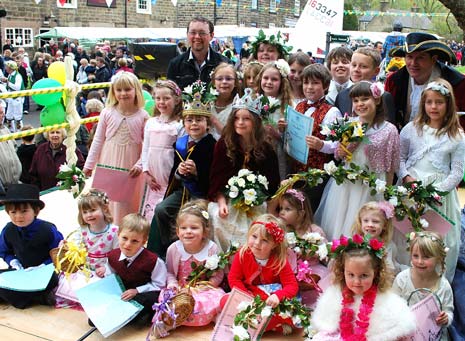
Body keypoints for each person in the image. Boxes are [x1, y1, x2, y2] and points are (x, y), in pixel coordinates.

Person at [398, 79, 465, 281]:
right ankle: (405, 281)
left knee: (438, 242)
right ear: (423, 104)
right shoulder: (411, 129)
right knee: (406, 238)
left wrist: (434, 194)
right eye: (429, 102)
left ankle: (435, 285)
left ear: (448, 105)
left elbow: (457, 173)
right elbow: (400, 159)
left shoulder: (457, 135)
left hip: (439, 198)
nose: (434, 107)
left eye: (439, 102)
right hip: (410, 192)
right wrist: (407, 177)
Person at [315, 82, 400, 241]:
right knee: (344, 218)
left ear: (377, 100)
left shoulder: (389, 130)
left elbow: (390, 166)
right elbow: (339, 155)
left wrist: (387, 195)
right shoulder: (349, 124)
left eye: (365, 99)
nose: (360, 104)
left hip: (373, 184)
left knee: (369, 222)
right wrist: (352, 141)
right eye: (356, 100)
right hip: (349, 182)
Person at [148, 81, 216, 258]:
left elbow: (215, 175)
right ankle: (165, 249)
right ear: (184, 123)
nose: (194, 124)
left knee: (193, 217)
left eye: (199, 120)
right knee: (162, 209)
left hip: (201, 193)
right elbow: (174, 176)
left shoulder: (213, 145)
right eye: (189, 120)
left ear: (207, 124)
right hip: (182, 190)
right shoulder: (180, 143)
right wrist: (179, 171)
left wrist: (197, 172)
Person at [208, 90, 280, 251]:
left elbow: (272, 183)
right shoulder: (224, 144)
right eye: (237, 118)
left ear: (255, 122)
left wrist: (263, 203)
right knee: (219, 218)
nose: (240, 122)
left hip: (257, 201)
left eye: (246, 119)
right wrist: (221, 203)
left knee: (256, 223)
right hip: (228, 199)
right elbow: (216, 178)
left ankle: (251, 260)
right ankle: (226, 260)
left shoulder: (266, 148)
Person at [311, 235, 416, 340]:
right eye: (351, 275)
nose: (357, 282)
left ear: (376, 273)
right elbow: (324, 326)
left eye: (364, 275)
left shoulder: (386, 301)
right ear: (343, 272)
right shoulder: (334, 296)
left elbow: (402, 327)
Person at [83, 72, 148, 224]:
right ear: (113, 92)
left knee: (126, 201)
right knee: (107, 199)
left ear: (136, 90)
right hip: (109, 161)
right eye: (119, 90)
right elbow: (98, 140)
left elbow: (147, 146)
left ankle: (126, 231)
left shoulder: (143, 116)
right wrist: (89, 165)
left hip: (130, 165)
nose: (123, 94)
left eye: (127, 89)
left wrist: (140, 164)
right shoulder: (107, 113)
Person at [222, 214, 299, 335]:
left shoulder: (280, 260)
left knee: (287, 311)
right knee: (225, 301)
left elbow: (291, 285)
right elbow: (234, 279)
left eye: (264, 240)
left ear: (274, 244)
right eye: (254, 236)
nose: (257, 243)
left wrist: (278, 296)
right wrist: (245, 297)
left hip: (269, 300)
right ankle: (260, 325)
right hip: (248, 296)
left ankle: (252, 325)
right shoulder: (242, 254)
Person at [95, 213, 167, 325]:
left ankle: (138, 315)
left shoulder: (154, 261)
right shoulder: (113, 255)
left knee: (150, 298)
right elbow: (110, 275)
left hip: (142, 294)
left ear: (143, 241)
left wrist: (137, 291)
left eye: (135, 241)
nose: (128, 244)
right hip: (122, 294)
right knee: (93, 320)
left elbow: (159, 285)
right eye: (124, 238)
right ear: (118, 235)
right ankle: (124, 316)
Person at [0, 184, 63, 309]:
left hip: (44, 273)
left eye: (24, 211)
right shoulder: (8, 230)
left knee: (51, 281)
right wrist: (13, 261)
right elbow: (4, 251)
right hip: (21, 271)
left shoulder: (48, 229)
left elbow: (59, 253)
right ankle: (31, 296)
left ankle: (39, 295)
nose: (18, 216)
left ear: (35, 211)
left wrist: (43, 266)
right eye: (13, 212)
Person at [385, 32, 465, 130]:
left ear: (434, 59)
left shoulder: (457, 83)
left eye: (420, 58)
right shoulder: (394, 81)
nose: (413, 63)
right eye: (409, 57)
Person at [164, 200, 224, 326]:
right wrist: (173, 285)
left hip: (203, 289)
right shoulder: (174, 249)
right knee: (167, 300)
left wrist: (207, 285)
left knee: (213, 300)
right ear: (177, 231)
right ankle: (176, 317)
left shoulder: (211, 248)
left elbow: (218, 274)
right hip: (181, 289)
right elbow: (169, 272)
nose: (188, 231)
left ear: (205, 231)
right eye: (183, 228)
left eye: (194, 228)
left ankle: (209, 316)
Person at [295, 63, 342, 212]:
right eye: (306, 82)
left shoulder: (332, 112)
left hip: (317, 173)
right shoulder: (299, 106)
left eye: (315, 83)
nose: (309, 87)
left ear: (326, 85)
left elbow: (337, 144)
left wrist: (321, 144)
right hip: (296, 169)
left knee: (309, 209)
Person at [393, 231, 453, 340]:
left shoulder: (444, 286)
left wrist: (446, 318)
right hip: (405, 336)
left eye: (426, 257)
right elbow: (391, 307)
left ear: (439, 258)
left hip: (432, 336)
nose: (420, 261)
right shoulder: (402, 279)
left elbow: (448, 310)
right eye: (415, 256)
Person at [141, 80, 184, 222]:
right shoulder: (151, 123)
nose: (162, 102)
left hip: (168, 176)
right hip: (153, 178)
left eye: (166, 98)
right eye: (158, 98)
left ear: (176, 100)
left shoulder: (179, 125)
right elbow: (146, 149)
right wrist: (146, 171)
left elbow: (180, 153)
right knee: (150, 210)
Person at [278, 189, 328, 307]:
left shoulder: (314, 231)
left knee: (315, 281)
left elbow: (325, 253)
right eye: (281, 208)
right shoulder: (282, 231)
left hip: (312, 268)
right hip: (290, 271)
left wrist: (312, 252)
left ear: (301, 213)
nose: (282, 212)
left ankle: (310, 304)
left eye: (287, 209)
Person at [335, 47, 396, 124]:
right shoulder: (342, 95)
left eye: (363, 66)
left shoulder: (384, 97)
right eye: (354, 65)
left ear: (376, 71)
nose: (356, 69)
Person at [167, 16, 230, 89]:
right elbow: (170, 94)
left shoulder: (224, 63)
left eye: (202, 33)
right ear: (187, 34)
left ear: (211, 36)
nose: (197, 36)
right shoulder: (175, 64)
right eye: (193, 32)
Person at [257, 60, 293, 180]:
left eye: (274, 79)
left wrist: (278, 134)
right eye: (265, 78)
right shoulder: (254, 101)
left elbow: (292, 141)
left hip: (277, 155)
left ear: (282, 82)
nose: (269, 82)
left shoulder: (287, 107)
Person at [351, 201, 405, 274]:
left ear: (384, 225)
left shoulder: (387, 246)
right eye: (366, 221)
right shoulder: (357, 241)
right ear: (360, 223)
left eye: (375, 221)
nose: (370, 225)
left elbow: (388, 271)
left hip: (383, 276)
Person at [77, 189, 118, 270]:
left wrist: (106, 268)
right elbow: (77, 245)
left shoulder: (114, 231)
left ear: (104, 208)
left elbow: (117, 254)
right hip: (87, 269)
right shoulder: (82, 230)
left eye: (93, 210)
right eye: (85, 212)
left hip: (106, 269)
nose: (89, 215)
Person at [209, 62, 241, 140]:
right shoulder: (207, 103)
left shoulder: (238, 106)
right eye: (219, 79)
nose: (224, 82)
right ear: (214, 82)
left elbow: (232, 136)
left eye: (228, 79)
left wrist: (213, 120)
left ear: (235, 83)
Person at [0, 107, 21, 189]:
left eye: (2, 113)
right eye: (0, 113)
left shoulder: (5, 130)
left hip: (15, 183)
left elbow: (15, 147)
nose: (2, 116)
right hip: (2, 187)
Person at [1, 60, 24, 132]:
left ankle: (19, 132)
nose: (5, 68)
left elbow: (17, 87)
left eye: (7, 66)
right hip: (11, 98)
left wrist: (8, 82)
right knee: (9, 115)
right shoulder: (10, 75)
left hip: (17, 98)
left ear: (10, 68)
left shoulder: (18, 76)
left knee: (17, 116)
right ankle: (11, 131)